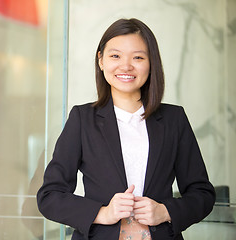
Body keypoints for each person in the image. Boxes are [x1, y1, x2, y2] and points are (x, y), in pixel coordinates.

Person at [37, 18, 215, 240]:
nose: (126, 66)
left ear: (151, 63)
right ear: (101, 60)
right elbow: (50, 196)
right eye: (115, 56)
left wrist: (165, 212)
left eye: (138, 57)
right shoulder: (82, 119)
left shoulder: (173, 119)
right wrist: (103, 213)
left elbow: (202, 193)